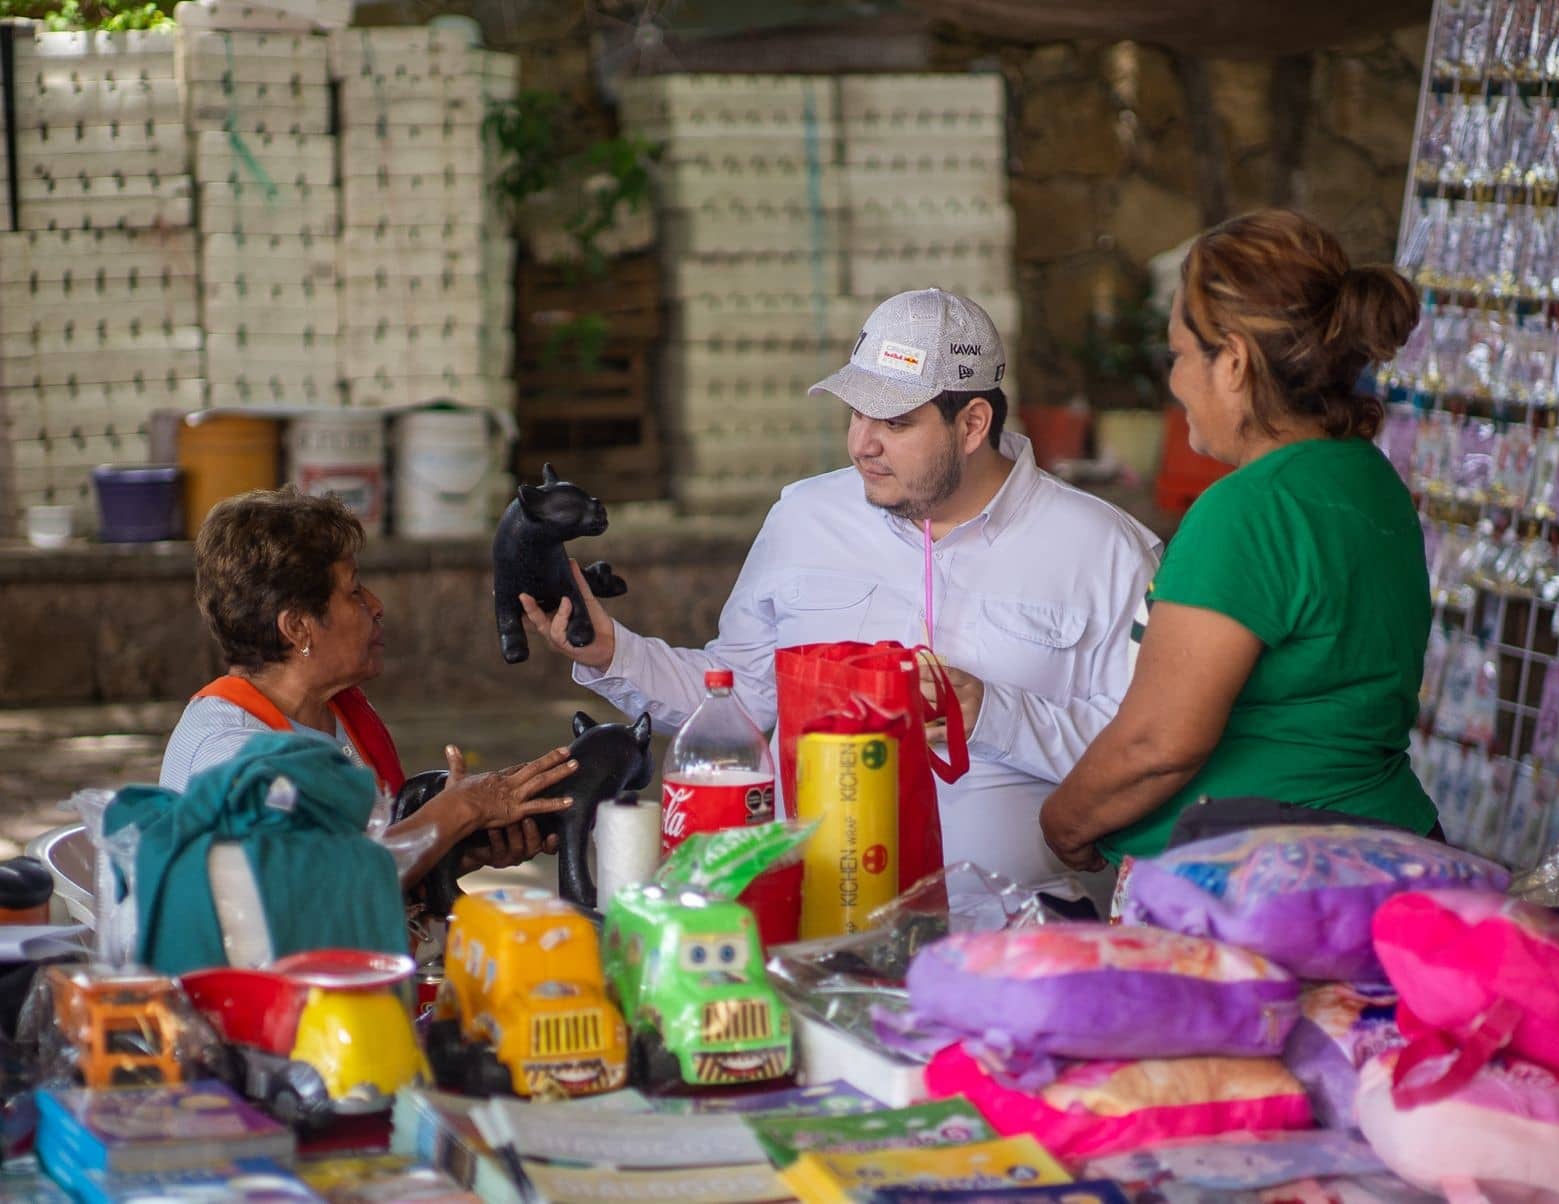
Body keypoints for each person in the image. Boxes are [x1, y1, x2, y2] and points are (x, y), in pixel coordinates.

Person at [522, 287, 1161, 885]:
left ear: (971, 425)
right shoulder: (804, 518)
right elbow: (738, 700)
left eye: (895, 422)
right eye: (855, 412)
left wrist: (993, 714)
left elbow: (1149, 754)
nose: (861, 444)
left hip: (1014, 937)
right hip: (815, 923)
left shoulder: (1107, 551)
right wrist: (613, 653)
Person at [1039, 209, 1437, 870]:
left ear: (1234, 362)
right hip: (1381, 850)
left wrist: (1064, 823)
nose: (1173, 382)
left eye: (1180, 355)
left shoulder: (1250, 509)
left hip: (1269, 882)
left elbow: (1158, 744)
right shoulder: (1368, 478)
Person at [161, 488, 578, 888]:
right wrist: (460, 810)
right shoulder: (227, 755)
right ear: (298, 627)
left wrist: (455, 851)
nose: (376, 605)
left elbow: (371, 860)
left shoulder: (335, 714)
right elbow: (323, 891)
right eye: (353, 591)